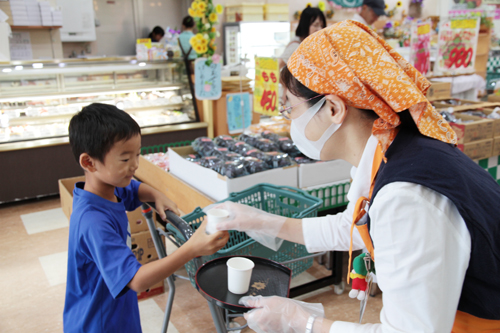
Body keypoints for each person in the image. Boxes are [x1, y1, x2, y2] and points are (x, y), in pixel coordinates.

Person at [215, 21, 500, 332]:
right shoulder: (392, 147)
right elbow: (352, 226)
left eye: (290, 109)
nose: (289, 123)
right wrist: (257, 221)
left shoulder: (406, 198)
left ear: (334, 109)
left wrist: (301, 322)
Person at [63, 103, 229, 332]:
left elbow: (133, 188)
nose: (135, 165)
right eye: (124, 159)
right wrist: (192, 247)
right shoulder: (93, 222)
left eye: (137, 154)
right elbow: (138, 280)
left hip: (117, 311)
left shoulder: (106, 188)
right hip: (98, 323)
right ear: (89, 162)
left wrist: (156, 194)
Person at [279, 6, 326, 105]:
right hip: (294, 100)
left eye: (322, 26)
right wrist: (289, 86)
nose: (320, 29)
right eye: (316, 25)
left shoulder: (309, 45)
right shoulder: (296, 46)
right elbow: (276, 68)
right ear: (305, 25)